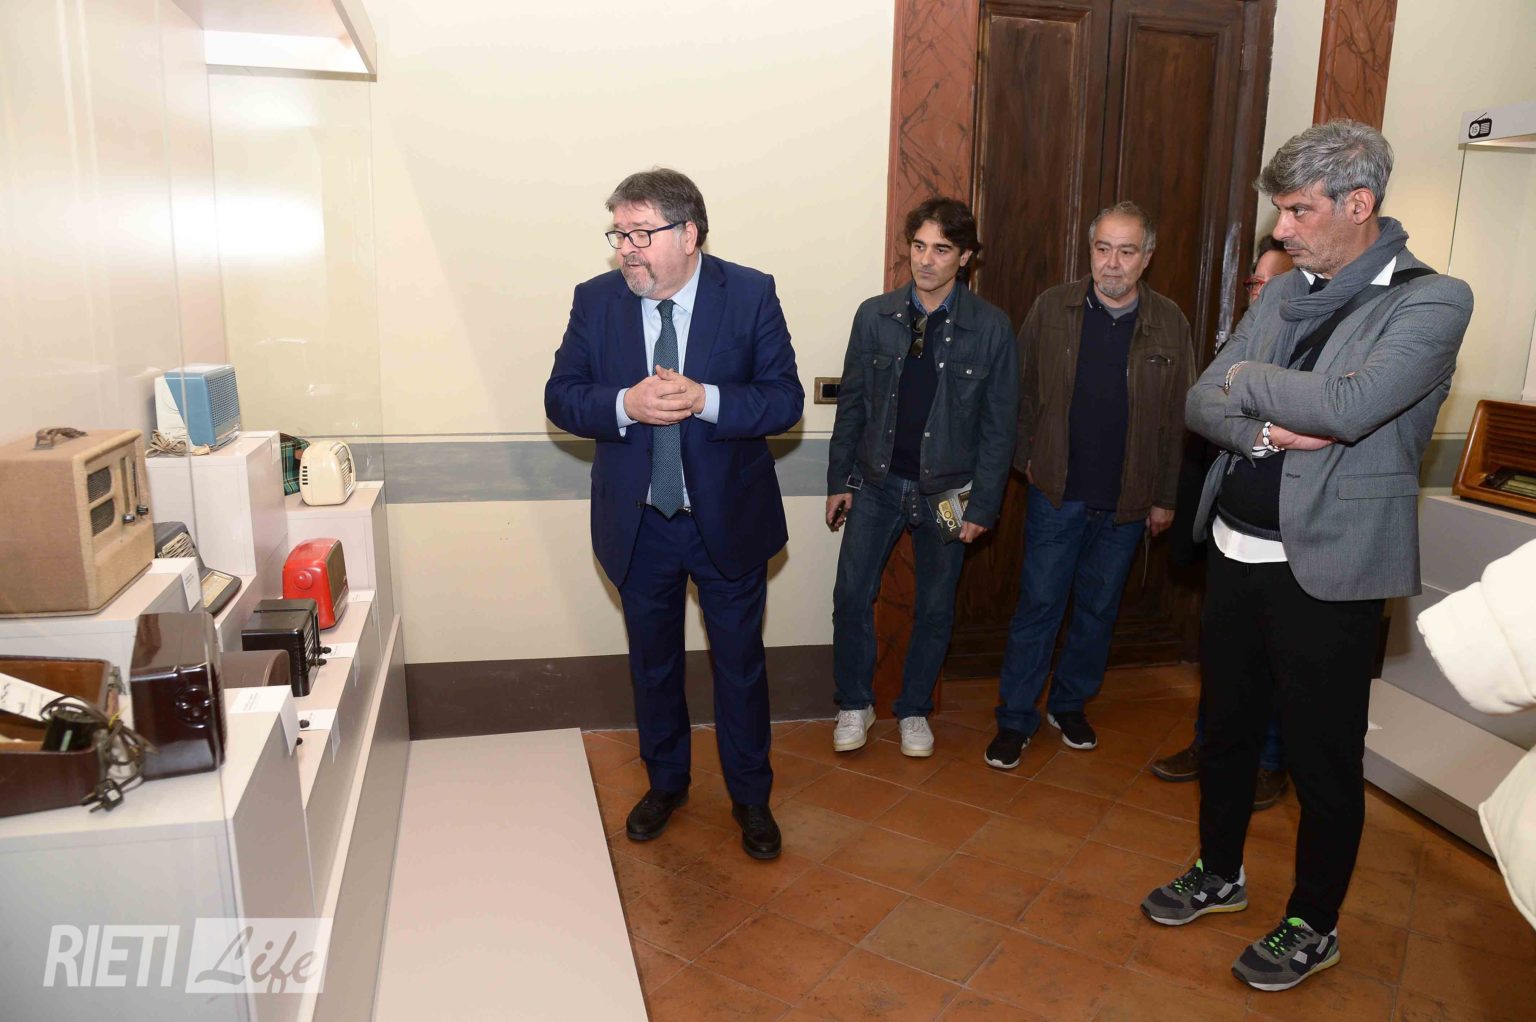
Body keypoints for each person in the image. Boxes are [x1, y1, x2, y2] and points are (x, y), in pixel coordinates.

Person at [1140, 120, 1473, 993]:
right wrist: (1271, 423)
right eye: (1280, 212)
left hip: (1331, 569)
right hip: (1234, 551)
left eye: (1297, 211)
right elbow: (1200, 399)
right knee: (1225, 733)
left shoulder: (1433, 300)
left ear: (1358, 204)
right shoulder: (1286, 290)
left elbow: (1350, 408)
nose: (1281, 230)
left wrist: (1248, 383)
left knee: (1322, 763)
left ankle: (1313, 923)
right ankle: (1219, 872)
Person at [544, 168, 804, 860]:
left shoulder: (748, 293)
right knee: (652, 666)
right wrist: (623, 405)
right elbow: (561, 396)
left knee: (739, 667)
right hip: (638, 525)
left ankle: (751, 797)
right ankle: (666, 784)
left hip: (728, 522)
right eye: (619, 234)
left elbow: (784, 399)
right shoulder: (596, 300)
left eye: (640, 234)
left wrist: (708, 399)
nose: (626, 250)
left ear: (688, 234)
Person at [987, 202, 1194, 768]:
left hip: (1128, 501)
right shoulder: (1052, 308)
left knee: (1098, 611)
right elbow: (1018, 391)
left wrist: (1165, 497)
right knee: (1039, 606)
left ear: (1147, 257)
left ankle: (1069, 704)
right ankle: (1015, 718)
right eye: (1103, 249)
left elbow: (1178, 419)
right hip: (1058, 493)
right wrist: (1028, 458)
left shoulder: (1170, 322)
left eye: (1127, 251)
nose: (1112, 262)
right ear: (1090, 251)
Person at [825, 198, 1017, 757]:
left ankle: (913, 710)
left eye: (942, 249)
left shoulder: (992, 327)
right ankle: (854, 703)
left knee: (934, 606)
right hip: (875, 482)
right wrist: (839, 480)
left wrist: (983, 505)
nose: (926, 260)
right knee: (851, 595)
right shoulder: (874, 316)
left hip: (949, 491)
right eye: (918, 246)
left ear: (966, 257)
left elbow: (999, 426)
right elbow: (852, 405)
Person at [1151, 236, 1295, 811]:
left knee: (1278, 658)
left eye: (1272, 284)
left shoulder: (1311, 346)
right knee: (1223, 653)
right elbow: (1202, 407)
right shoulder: (1241, 342)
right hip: (1227, 523)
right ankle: (1208, 744)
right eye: (1254, 283)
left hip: (1288, 538)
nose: (1259, 294)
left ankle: (1269, 762)